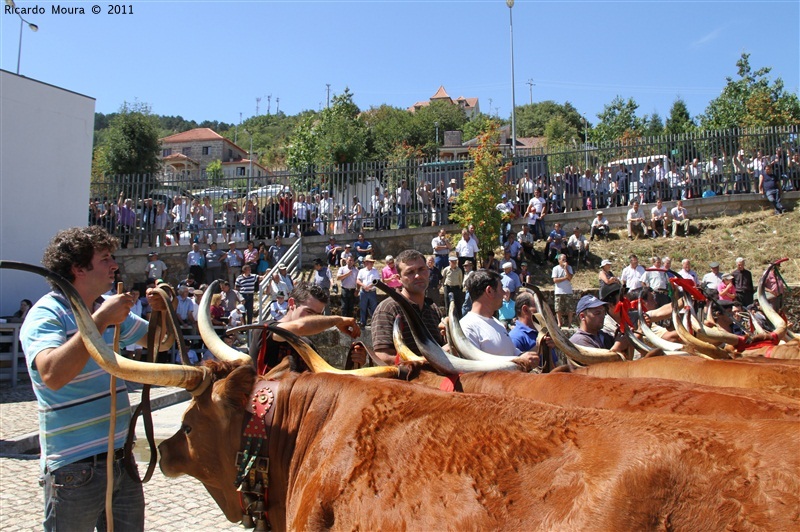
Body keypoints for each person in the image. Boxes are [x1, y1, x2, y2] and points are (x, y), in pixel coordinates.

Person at [19, 226, 170, 531]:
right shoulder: (46, 314)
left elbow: (161, 343)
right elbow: (52, 374)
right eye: (104, 258)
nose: (114, 264)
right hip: (74, 468)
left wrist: (163, 312)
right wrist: (99, 322)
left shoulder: (107, 308)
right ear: (78, 269)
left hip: (121, 460)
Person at [249, 283, 361, 375]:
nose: (313, 319)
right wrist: (337, 320)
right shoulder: (265, 330)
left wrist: (354, 363)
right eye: (309, 312)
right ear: (292, 303)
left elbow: (323, 379)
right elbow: (300, 327)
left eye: (318, 315)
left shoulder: (306, 344)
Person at [371, 249, 445, 364]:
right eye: (410, 272)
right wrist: (425, 362)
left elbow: (445, 347)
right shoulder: (388, 309)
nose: (418, 276)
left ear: (428, 271)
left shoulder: (434, 309)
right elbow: (382, 356)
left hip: (437, 380)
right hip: (405, 381)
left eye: (422, 269)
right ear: (399, 279)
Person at [458, 269, 539, 366]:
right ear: (489, 291)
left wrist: (540, 345)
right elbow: (474, 369)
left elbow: (517, 356)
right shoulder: (467, 327)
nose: (504, 294)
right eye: (501, 288)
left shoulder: (497, 323)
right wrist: (518, 360)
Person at [356, 255, 381, 327]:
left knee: (373, 308)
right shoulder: (361, 271)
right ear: (366, 263)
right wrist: (364, 286)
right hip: (363, 292)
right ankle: (362, 322)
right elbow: (358, 280)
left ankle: (374, 322)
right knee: (362, 307)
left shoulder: (375, 271)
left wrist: (369, 286)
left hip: (372, 291)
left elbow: (377, 281)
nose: (371, 263)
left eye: (372, 262)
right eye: (370, 262)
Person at [551, 254, 575, 328]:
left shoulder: (569, 267)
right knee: (558, 308)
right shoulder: (555, 268)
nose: (565, 260)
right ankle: (559, 323)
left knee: (570, 308)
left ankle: (569, 324)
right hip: (559, 291)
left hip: (568, 291)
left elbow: (570, 277)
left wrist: (565, 269)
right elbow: (555, 280)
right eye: (563, 259)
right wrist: (565, 278)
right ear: (559, 260)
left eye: (565, 259)